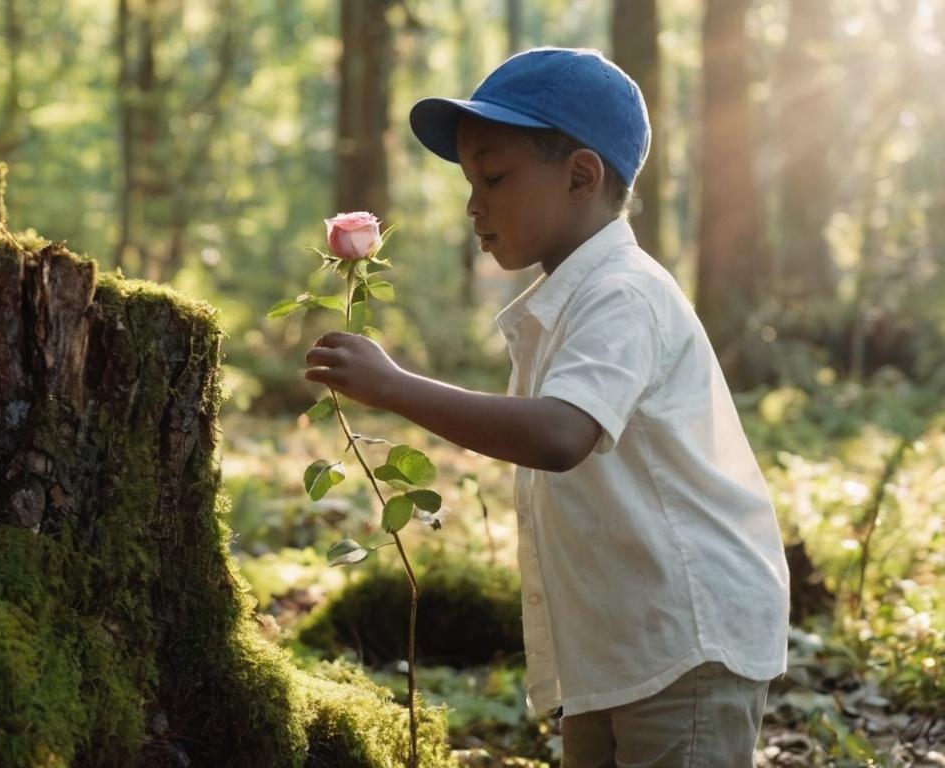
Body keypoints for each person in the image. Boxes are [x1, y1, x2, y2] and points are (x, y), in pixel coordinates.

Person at [303, 47, 788, 766]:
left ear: (581, 176)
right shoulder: (566, 304)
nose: (474, 203)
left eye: (494, 176)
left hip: (687, 639)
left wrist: (393, 387)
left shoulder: (623, 293)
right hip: (621, 641)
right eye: (470, 180)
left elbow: (562, 434)